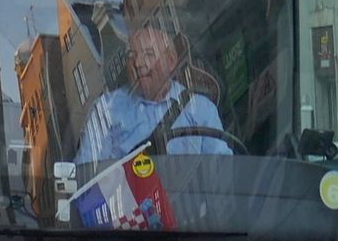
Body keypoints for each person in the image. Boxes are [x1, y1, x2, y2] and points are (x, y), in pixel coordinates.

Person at [74, 25, 232, 167]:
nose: (138, 63)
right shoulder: (106, 109)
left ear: (170, 62)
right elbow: (88, 174)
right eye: (131, 55)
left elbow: (221, 172)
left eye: (149, 54)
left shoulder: (200, 109)